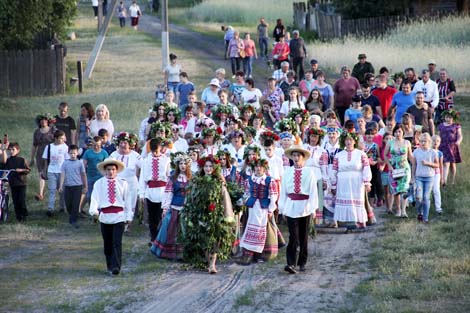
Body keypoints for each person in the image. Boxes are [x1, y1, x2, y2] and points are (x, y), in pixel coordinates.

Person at [181, 155, 235, 274]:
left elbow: (224, 198)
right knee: (203, 238)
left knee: (214, 239)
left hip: (215, 214)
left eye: (211, 166)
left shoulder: (218, 182)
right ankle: (207, 261)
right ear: (202, 167)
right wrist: (189, 211)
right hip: (200, 213)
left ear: (214, 168)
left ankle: (212, 264)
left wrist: (227, 215)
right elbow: (190, 197)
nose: (208, 168)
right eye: (206, 166)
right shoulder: (196, 181)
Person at [89, 158, 133, 275]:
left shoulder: (123, 183)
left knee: (116, 242)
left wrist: (129, 216)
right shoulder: (99, 183)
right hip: (105, 216)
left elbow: (128, 200)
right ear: (105, 171)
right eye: (108, 169)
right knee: (107, 243)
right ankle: (109, 265)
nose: (111, 172)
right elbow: (95, 198)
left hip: (119, 216)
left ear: (117, 170)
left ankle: (116, 266)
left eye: (113, 169)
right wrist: (94, 211)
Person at [279, 145, 318, 274]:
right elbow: (283, 191)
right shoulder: (287, 172)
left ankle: (302, 262)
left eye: (298, 156)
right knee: (293, 236)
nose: (296, 158)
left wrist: (313, 209)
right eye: (294, 156)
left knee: (303, 236)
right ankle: (291, 263)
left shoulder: (309, 172)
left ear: (303, 158)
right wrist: (282, 208)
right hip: (291, 206)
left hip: (305, 207)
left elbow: (313, 191)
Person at [239, 158, 279, 264]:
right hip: (252, 208)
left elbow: (273, 196)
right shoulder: (249, 180)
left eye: (261, 167)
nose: (258, 169)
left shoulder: (270, 180)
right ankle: (249, 254)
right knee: (249, 229)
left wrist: (270, 210)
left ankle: (261, 254)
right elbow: (246, 193)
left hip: (263, 208)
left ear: (265, 168)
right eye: (256, 166)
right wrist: (244, 202)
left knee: (262, 231)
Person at [151, 152, 191, 259]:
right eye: (181, 163)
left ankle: (185, 254)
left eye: (184, 163)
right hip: (175, 207)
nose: (183, 165)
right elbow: (169, 193)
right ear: (177, 165)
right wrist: (165, 208)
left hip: (187, 207)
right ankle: (168, 252)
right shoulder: (173, 178)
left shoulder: (191, 178)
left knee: (185, 229)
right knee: (170, 227)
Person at [331, 131, 372, 232]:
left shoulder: (361, 154)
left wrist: (367, 182)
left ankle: (357, 222)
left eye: (351, 140)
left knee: (355, 201)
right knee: (346, 202)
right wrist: (333, 185)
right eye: (346, 140)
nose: (348, 142)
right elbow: (334, 170)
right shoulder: (338, 155)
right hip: (343, 182)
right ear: (343, 141)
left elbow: (366, 168)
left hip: (356, 182)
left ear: (355, 141)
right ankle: (348, 225)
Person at [139, 138, 171, 244]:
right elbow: (142, 177)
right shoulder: (146, 161)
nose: (155, 153)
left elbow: (169, 176)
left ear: (160, 148)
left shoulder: (166, 160)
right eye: (153, 151)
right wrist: (142, 194)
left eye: (157, 151)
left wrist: (169, 193)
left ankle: (160, 239)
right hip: (150, 191)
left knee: (160, 216)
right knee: (152, 217)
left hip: (162, 192)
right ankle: (153, 238)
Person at [110, 132, 142, 231]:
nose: (123, 145)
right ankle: (118, 222)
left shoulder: (135, 155)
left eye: (125, 143)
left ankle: (127, 224)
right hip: (118, 183)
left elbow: (144, 166)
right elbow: (108, 164)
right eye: (121, 143)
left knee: (130, 203)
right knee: (119, 202)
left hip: (131, 183)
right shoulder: (114, 154)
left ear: (130, 144)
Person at [383, 124, 413, 217]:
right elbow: (385, 155)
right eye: (396, 132)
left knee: (404, 189)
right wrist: (389, 165)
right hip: (394, 168)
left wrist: (415, 165)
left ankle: (404, 210)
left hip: (404, 168)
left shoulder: (407, 143)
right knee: (396, 190)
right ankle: (398, 210)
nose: (397, 133)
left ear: (403, 132)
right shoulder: (390, 143)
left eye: (399, 131)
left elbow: (410, 156)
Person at [302, 128, 328, 224]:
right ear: (309, 137)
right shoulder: (304, 147)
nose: (313, 139)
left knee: (317, 197)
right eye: (312, 136)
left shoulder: (322, 151)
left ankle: (317, 220)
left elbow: (324, 166)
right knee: (306, 196)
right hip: (305, 174)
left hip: (317, 174)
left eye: (316, 137)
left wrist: (325, 180)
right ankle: (306, 219)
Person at [411, 133, 438, 223]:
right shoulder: (416, 152)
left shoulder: (433, 152)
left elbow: (437, 165)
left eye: (425, 141)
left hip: (429, 177)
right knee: (419, 197)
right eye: (421, 141)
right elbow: (414, 165)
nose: (423, 143)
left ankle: (425, 218)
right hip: (419, 177)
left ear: (429, 142)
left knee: (426, 197)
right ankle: (420, 212)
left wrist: (428, 163)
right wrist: (412, 177)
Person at [0, 142, 30, 222]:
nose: (11, 151)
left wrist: (21, 170)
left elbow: (28, 170)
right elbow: (3, 165)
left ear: (18, 150)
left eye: (13, 149)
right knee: (15, 201)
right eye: (10, 150)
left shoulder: (21, 160)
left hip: (21, 183)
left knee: (21, 200)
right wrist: (3, 150)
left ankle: (24, 215)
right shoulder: (8, 160)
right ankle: (18, 216)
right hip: (13, 184)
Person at [59, 145, 87, 229]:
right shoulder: (65, 163)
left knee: (75, 204)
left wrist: (85, 186)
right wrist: (61, 185)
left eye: (74, 153)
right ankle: (72, 215)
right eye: (71, 153)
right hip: (68, 186)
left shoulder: (80, 163)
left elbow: (83, 174)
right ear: (68, 153)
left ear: (77, 153)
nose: (73, 155)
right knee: (68, 204)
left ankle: (74, 220)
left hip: (77, 186)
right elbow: (63, 174)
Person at [43, 130, 69, 217]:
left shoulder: (65, 147)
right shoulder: (49, 147)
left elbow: (67, 160)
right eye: (61, 138)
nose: (63, 140)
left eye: (63, 138)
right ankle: (50, 208)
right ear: (56, 138)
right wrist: (45, 171)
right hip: (51, 171)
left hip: (62, 172)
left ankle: (62, 206)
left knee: (62, 191)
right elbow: (46, 160)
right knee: (52, 190)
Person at [31, 114, 56, 201]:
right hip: (40, 154)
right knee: (41, 173)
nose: (43, 122)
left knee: (51, 172)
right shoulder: (37, 132)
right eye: (41, 120)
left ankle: (53, 191)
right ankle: (41, 193)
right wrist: (32, 158)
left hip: (51, 153)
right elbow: (34, 145)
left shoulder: (52, 129)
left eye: (45, 120)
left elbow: (59, 137)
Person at [81, 136, 108, 215]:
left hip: (100, 177)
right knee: (89, 196)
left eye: (98, 145)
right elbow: (84, 164)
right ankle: (92, 211)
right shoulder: (88, 152)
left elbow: (107, 164)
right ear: (92, 144)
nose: (96, 147)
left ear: (101, 145)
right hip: (90, 177)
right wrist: (83, 174)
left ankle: (100, 211)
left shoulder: (104, 153)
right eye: (94, 145)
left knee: (100, 196)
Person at [438, 109, 462, 186]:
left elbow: (459, 135)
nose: (448, 119)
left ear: (453, 118)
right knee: (445, 163)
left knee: (452, 164)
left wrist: (458, 141)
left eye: (450, 117)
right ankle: (444, 181)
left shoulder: (456, 125)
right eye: (446, 117)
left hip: (452, 146)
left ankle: (452, 180)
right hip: (443, 146)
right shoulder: (441, 125)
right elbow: (439, 135)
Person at [431, 135, 443, 215]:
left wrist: (442, 177)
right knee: (428, 191)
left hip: (436, 174)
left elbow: (441, 165)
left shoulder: (440, 153)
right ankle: (426, 207)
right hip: (428, 174)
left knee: (436, 190)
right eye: (434, 140)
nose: (435, 142)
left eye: (437, 141)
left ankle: (438, 208)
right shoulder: (428, 151)